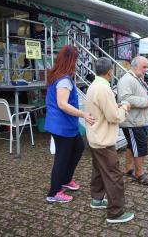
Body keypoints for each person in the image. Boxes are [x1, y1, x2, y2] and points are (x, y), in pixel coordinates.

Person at [85, 57, 134, 224]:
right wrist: (125, 107)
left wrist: (116, 106)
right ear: (109, 72)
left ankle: (97, 199)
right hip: (103, 140)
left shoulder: (93, 85)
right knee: (114, 176)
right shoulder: (104, 89)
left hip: (94, 137)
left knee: (99, 170)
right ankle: (116, 213)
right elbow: (114, 117)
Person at [45, 45, 95, 203]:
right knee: (62, 158)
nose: (77, 62)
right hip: (61, 126)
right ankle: (54, 193)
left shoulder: (58, 75)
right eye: (76, 59)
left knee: (78, 147)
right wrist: (83, 114)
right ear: (70, 60)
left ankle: (66, 179)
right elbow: (62, 104)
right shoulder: (64, 80)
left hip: (65, 125)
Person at [117, 56, 148, 186]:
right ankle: (139, 173)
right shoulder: (126, 80)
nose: (146, 70)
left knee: (132, 145)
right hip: (132, 121)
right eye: (144, 67)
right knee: (140, 147)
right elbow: (125, 99)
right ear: (135, 66)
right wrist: (147, 102)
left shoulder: (138, 79)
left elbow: (145, 97)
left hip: (138, 120)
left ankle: (128, 168)